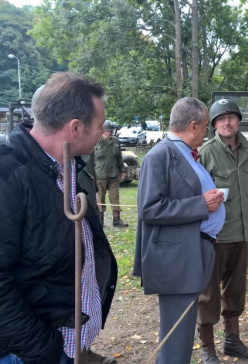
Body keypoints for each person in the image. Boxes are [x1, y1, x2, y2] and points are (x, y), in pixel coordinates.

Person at [0, 72, 118, 364]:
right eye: (100, 124)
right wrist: (48, 352)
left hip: (65, 343)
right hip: (28, 353)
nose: (103, 129)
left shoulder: (67, 168)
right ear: (75, 128)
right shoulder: (8, 177)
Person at [133, 97, 225, 364]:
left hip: (191, 252)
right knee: (176, 336)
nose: (208, 131)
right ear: (194, 125)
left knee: (182, 333)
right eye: (207, 126)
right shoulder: (159, 155)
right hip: (176, 260)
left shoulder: (185, 153)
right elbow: (149, 209)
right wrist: (201, 204)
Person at [196, 99, 248, 363]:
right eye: (221, 119)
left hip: (242, 233)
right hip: (216, 235)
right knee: (208, 293)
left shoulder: (247, 149)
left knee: (235, 291)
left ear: (239, 121)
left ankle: (232, 341)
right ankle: (207, 348)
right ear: (213, 124)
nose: (227, 122)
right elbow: (197, 194)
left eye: (231, 117)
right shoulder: (206, 152)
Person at [93, 120, 128, 227]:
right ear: (102, 131)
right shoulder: (95, 141)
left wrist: (122, 170)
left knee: (115, 197)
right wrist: (91, 175)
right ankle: (100, 219)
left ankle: (116, 219)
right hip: (100, 175)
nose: (110, 133)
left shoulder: (116, 141)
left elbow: (119, 158)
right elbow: (89, 159)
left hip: (114, 175)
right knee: (100, 198)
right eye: (108, 131)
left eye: (111, 131)